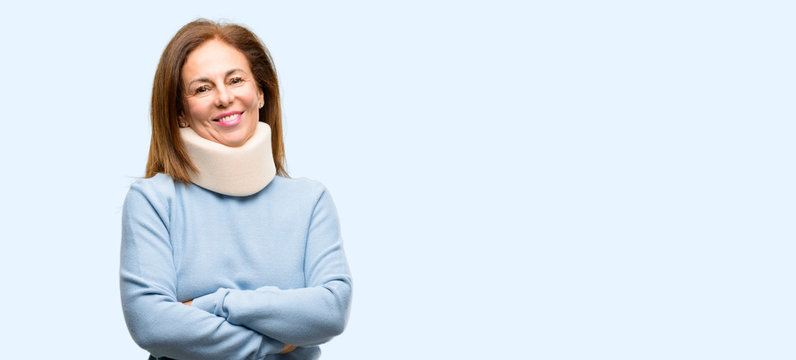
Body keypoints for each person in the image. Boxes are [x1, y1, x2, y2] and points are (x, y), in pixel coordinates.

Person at [120, 19, 352, 360]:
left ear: (260, 92)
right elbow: (152, 325)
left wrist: (214, 303)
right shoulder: (153, 201)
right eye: (202, 88)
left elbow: (331, 311)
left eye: (235, 80)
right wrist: (276, 343)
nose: (224, 97)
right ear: (181, 113)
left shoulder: (310, 201)